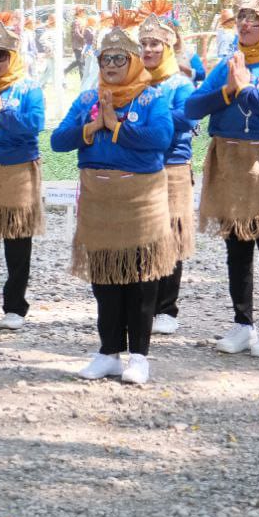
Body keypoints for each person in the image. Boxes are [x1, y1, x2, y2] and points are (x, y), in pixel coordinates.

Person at [51, 20, 174, 384]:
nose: (111, 65)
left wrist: (117, 127)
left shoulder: (152, 98)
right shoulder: (87, 99)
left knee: (140, 275)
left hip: (140, 198)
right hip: (99, 197)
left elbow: (160, 138)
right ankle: (108, 352)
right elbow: (58, 140)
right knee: (104, 276)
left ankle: (139, 356)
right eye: (105, 58)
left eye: (120, 58)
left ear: (134, 61)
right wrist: (92, 127)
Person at [187, 0, 259, 358]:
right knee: (237, 247)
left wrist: (247, 91)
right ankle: (242, 324)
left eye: (254, 18)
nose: (245, 24)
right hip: (228, 158)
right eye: (241, 17)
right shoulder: (228, 63)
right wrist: (227, 90)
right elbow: (192, 107)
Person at [0, 15, 45, 331]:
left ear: (13, 56)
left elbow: (33, 125)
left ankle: (15, 306)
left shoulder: (30, 89)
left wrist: (0, 113)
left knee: (18, 243)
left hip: (18, 174)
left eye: (1, 55)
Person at [138, 0, 197, 336]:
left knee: (171, 236)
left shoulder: (181, 83)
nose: (148, 49)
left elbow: (187, 119)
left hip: (173, 165)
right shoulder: (134, 81)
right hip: (140, 166)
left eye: (155, 44)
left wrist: (149, 115)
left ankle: (166, 308)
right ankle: (142, 305)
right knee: (143, 235)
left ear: (168, 47)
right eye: (144, 44)